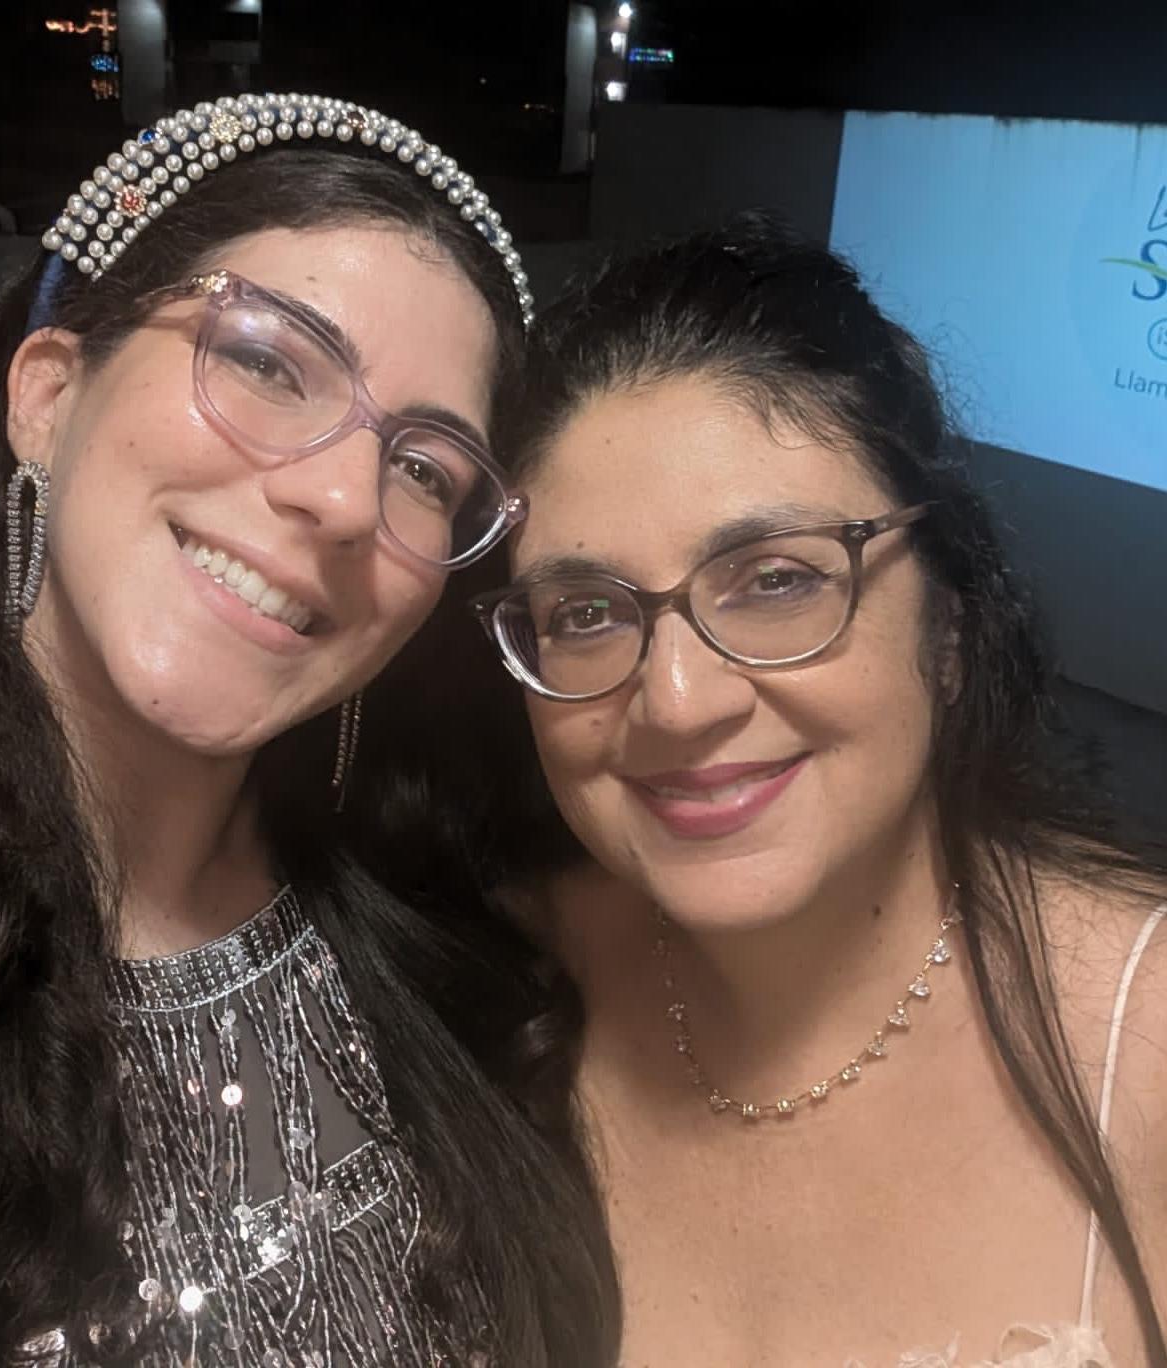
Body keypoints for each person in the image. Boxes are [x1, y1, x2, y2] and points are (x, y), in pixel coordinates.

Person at [0, 93, 617, 1368]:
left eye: (424, 469)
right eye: (269, 364)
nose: (344, 498)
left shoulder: (459, 944)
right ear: (46, 393)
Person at [360, 216, 1167, 1367]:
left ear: (947, 629)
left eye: (778, 581)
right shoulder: (495, 979)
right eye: (586, 613)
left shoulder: (1144, 1046)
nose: (677, 702)